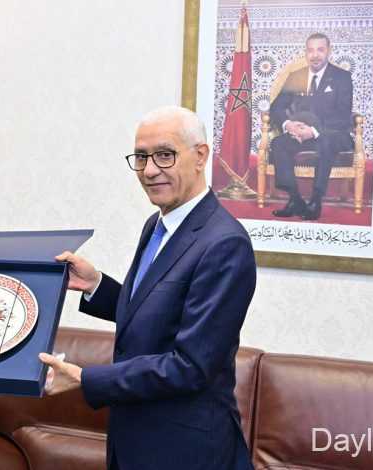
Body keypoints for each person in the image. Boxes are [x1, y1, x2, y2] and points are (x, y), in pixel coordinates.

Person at [40, 106, 256, 470]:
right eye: (141, 157)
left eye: (165, 155)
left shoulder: (225, 243)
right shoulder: (156, 225)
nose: (150, 170)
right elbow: (155, 311)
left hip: (185, 451)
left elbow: (190, 366)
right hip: (132, 438)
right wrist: (96, 285)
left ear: (200, 156)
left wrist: (84, 377)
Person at [269, 32, 354, 220]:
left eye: (320, 50)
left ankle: (316, 200)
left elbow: (343, 115)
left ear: (329, 51)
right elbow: (276, 107)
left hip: (332, 134)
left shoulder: (342, 77)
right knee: (278, 143)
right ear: (306, 52)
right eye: (310, 50)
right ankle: (295, 199)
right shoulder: (296, 76)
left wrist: (314, 131)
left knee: (326, 142)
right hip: (301, 134)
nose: (315, 55)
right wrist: (288, 124)